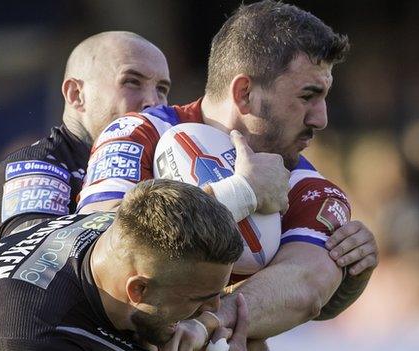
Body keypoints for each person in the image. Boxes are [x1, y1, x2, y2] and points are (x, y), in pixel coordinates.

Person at [77, 1, 378, 349]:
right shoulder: (140, 132)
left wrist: (209, 323)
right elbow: (94, 242)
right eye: (307, 96)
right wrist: (240, 193)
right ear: (244, 93)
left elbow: (307, 283)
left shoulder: (310, 189)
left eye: (324, 97)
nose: (320, 118)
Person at [0, 179, 249, 350]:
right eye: (200, 299)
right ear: (138, 290)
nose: (214, 308)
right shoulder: (39, 338)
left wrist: (243, 190)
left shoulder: (120, 228)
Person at [0, 31, 172, 259]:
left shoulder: (156, 167)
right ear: (76, 94)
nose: (153, 102)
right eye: (132, 81)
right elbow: (44, 267)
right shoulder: (37, 168)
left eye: (162, 89)